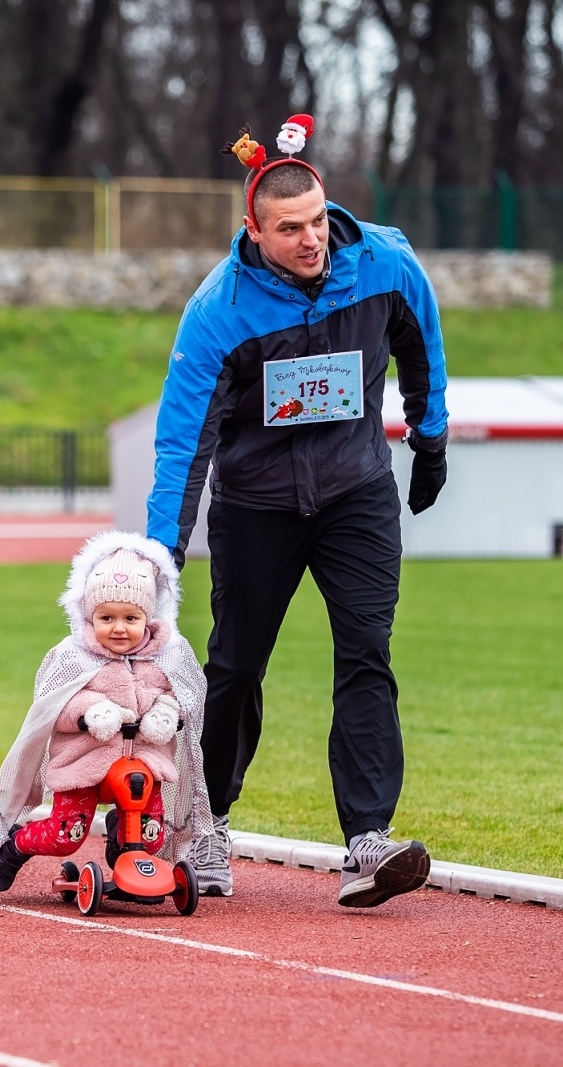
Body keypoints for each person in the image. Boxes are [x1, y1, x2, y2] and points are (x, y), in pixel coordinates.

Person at [145, 114, 449, 908]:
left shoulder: (383, 261)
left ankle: (367, 839)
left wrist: (432, 432)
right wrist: (159, 553)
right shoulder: (219, 311)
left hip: (355, 493)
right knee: (236, 667)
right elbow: (183, 441)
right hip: (258, 506)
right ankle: (205, 825)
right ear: (253, 228)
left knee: (366, 654)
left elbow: (424, 345)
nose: (311, 239)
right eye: (290, 229)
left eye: (317, 220)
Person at [0, 531, 212, 890]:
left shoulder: (169, 655)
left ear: (148, 617)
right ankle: (15, 847)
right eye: (107, 618)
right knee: (65, 835)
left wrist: (167, 710)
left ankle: (126, 845)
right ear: (90, 616)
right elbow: (51, 705)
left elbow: (186, 695)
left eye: (131, 619)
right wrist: (90, 711)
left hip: (143, 765)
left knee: (150, 836)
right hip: (83, 762)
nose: (119, 628)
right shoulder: (73, 655)